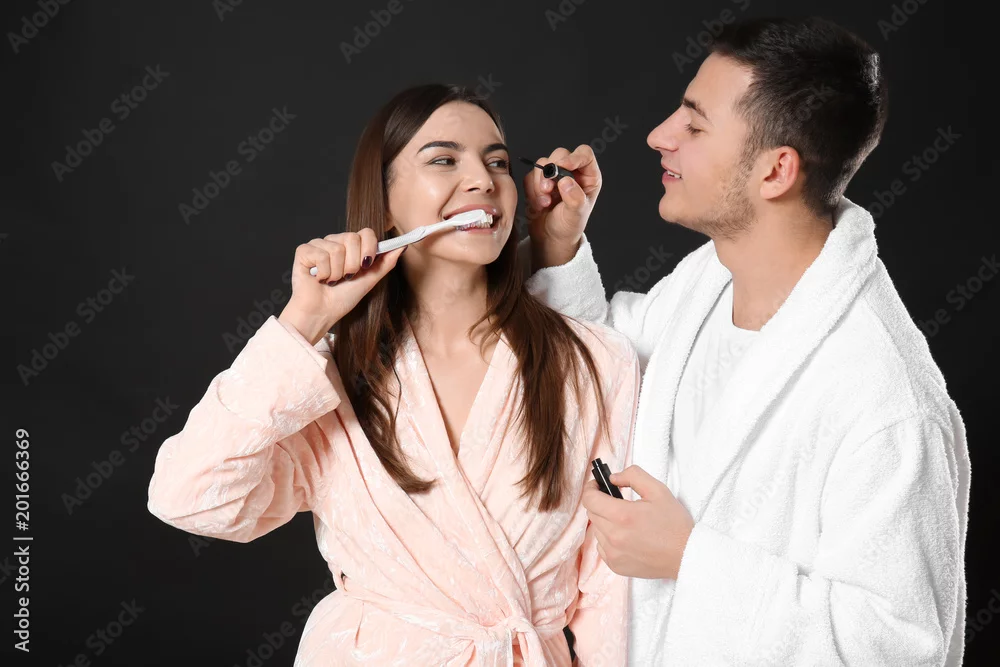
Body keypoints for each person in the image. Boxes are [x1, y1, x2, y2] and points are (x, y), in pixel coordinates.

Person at [520, 16, 970, 666]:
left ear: (776, 170)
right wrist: (559, 246)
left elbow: (898, 648)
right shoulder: (708, 280)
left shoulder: (888, 402)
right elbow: (608, 365)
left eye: (695, 125)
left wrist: (690, 558)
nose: (658, 135)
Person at [147, 83, 640, 666]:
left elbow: (611, 589)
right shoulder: (327, 377)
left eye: (497, 163)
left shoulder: (595, 361)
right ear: (383, 204)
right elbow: (191, 498)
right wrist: (304, 321)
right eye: (444, 160)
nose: (483, 180)